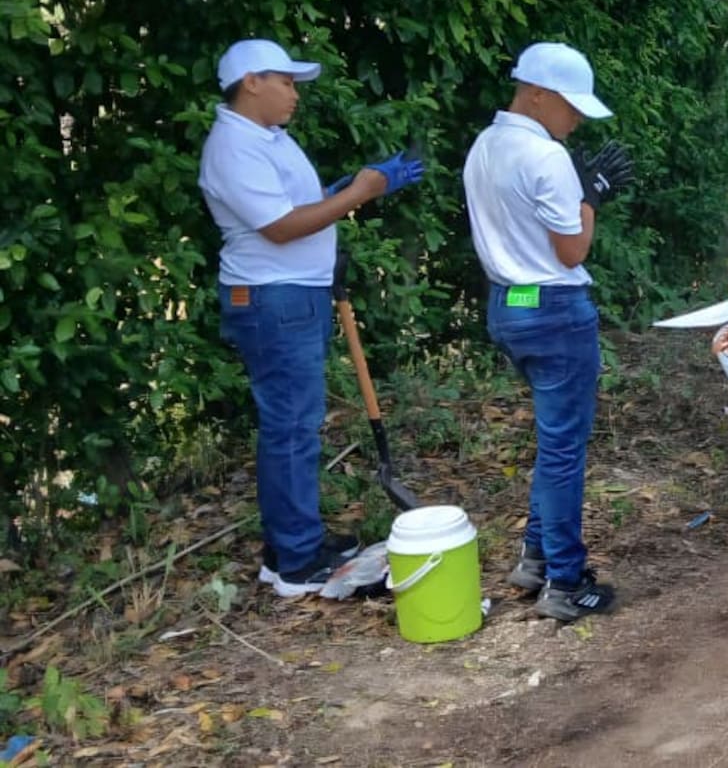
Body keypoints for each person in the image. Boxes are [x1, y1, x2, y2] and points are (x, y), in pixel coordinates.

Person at [199, 39, 425, 597]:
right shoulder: (234, 146)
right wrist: (359, 193)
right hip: (272, 298)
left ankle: (293, 544)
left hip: (292, 295)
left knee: (296, 424)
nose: (294, 94)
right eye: (286, 82)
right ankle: (296, 564)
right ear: (251, 82)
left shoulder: (268, 138)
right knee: (291, 427)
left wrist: (352, 188)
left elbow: (298, 203)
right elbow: (279, 227)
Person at [463, 42, 634, 622]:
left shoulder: (484, 146)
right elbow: (572, 250)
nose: (577, 118)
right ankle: (565, 580)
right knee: (564, 450)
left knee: (553, 442)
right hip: (555, 310)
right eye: (571, 105)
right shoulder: (546, 156)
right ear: (537, 94)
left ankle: (535, 559)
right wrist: (592, 197)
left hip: (509, 305)